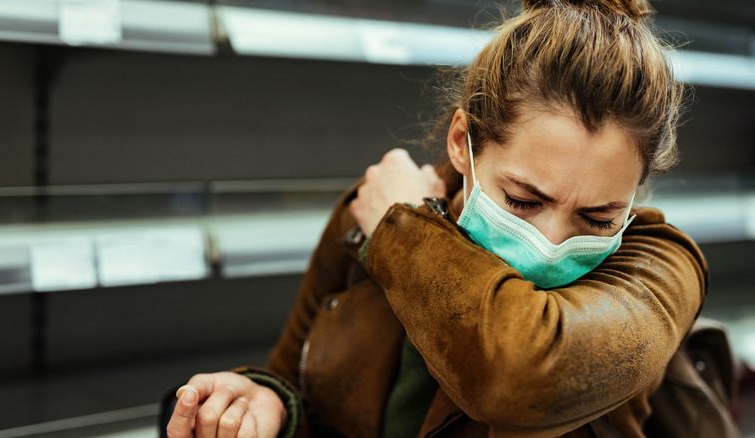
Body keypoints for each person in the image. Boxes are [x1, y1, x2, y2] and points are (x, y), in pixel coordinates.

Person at [166, 0, 713, 436]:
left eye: (597, 217)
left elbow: (516, 378)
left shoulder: (661, 267)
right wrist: (269, 405)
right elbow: (296, 374)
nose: (550, 241)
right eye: (523, 200)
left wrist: (402, 230)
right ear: (461, 142)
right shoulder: (370, 210)